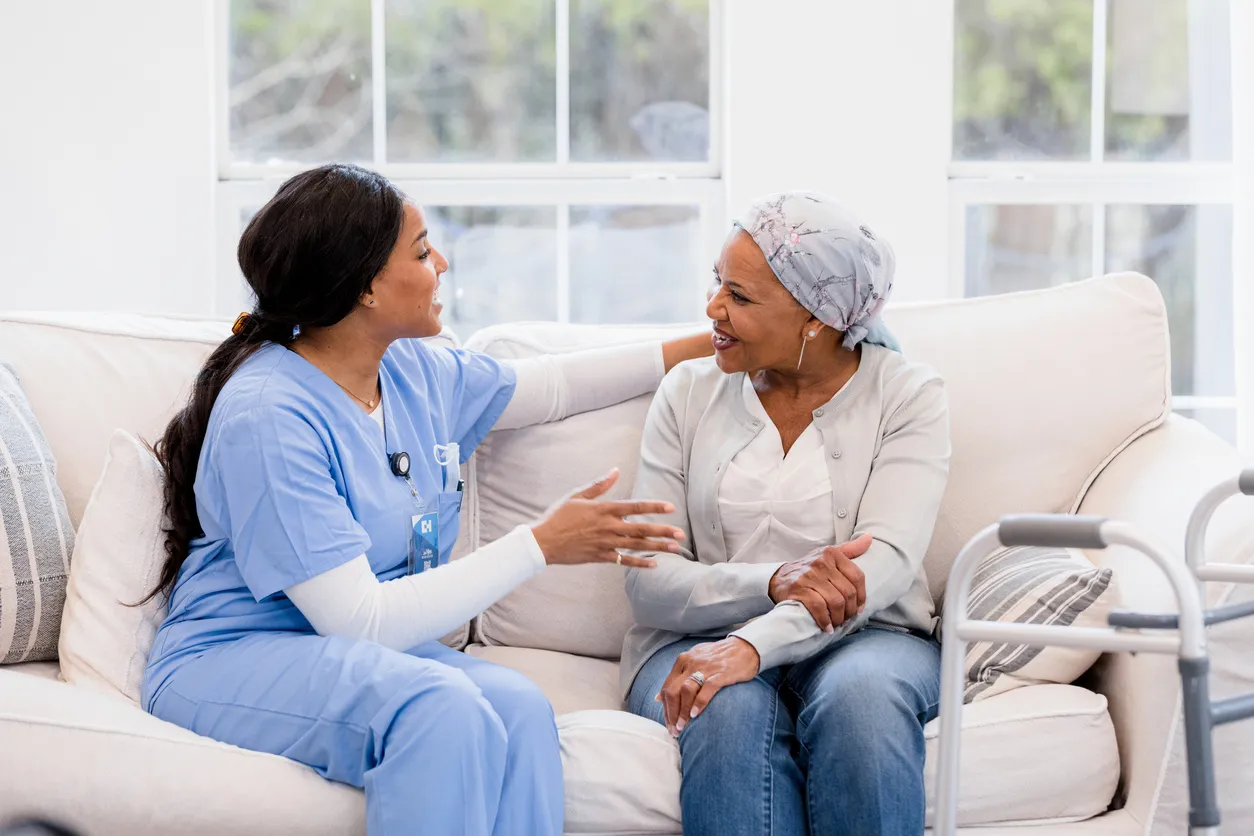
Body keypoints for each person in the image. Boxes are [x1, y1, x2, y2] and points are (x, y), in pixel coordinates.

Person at [140, 163, 714, 836]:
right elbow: (359, 621)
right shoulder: (269, 416)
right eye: (420, 250)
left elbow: (552, 387)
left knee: (519, 709)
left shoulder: (408, 370)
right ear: (365, 289)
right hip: (235, 655)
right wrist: (540, 544)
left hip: (358, 653)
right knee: (442, 708)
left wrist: (714, 345)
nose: (441, 261)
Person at [622, 192, 952, 835]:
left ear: (816, 319)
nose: (713, 308)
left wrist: (752, 643)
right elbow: (646, 578)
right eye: (717, 283)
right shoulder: (687, 392)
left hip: (872, 638)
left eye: (740, 297)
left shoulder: (908, 395)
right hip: (692, 641)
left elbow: (880, 566)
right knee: (722, 706)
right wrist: (772, 584)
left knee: (863, 702)